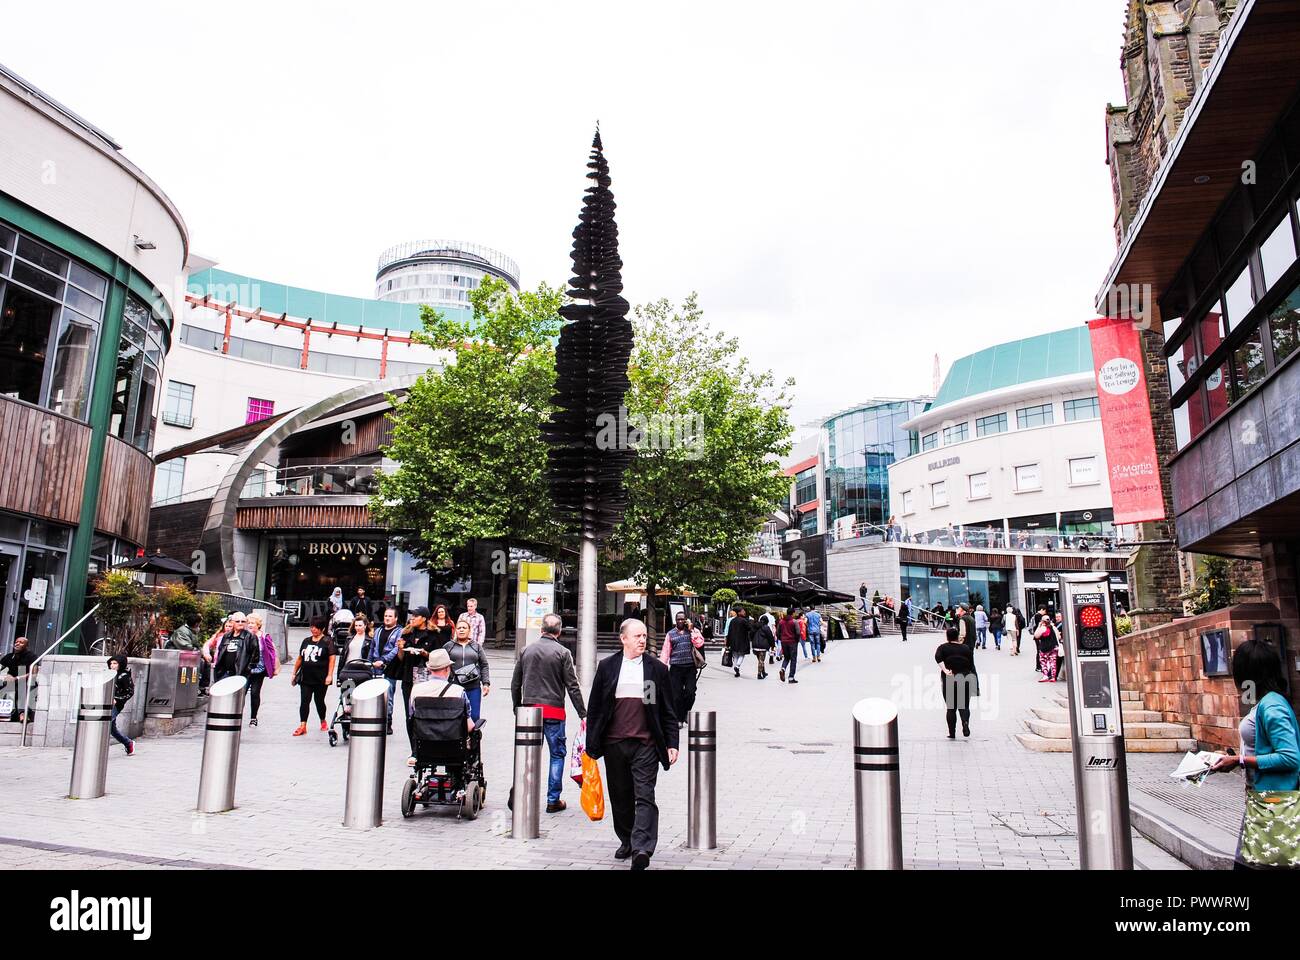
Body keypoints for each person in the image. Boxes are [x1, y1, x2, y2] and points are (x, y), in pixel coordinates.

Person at [585, 618, 679, 870]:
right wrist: (591, 744)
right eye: (636, 636)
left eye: (644, 637)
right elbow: (595, 708)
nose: (641, 640)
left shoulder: (655, 669)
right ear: (623, 638)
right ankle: (627, 839)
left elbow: (667, 710)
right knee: (621, 796)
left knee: (645, 795)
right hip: (614, 744)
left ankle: (642, 848)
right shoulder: (608, 667)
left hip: (646, 744)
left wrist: (672, 742)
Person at [1209, 639, 1300, 869]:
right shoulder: (1264, 702)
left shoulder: (1272, 706)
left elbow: (1290, 757)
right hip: (1262, 801)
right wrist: (1233, 758)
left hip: (1275, 802)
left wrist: (1239, 760)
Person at [510, 613, 586, 813]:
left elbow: (515, 683)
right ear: (559, 631)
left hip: (529, 711)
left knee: (528, 755)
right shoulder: (563, 653)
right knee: (557, 754)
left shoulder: (526, 650)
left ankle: (521, 793)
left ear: (541, 630)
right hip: (554, 711)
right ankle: (553, 800)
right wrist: (582, 713)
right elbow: (572, 686)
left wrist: (517, 707)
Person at [408, 648, 475, 736]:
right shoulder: (458, 691)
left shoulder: (416, 689)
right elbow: (469, 726)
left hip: (424, 744)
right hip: (453, 744)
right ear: (448, 669)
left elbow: (412, 718)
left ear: (429, 669)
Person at [397, 607, 435, 753]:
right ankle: (414, 749)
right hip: (408, 679)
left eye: (416, 616)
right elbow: (401, 659)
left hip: (425, 679)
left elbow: (437, 657)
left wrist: (425, 653)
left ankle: (426, 747)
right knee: (410, 715)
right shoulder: (407, 634)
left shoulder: (432, 635)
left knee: (424, 714)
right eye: (411, 616)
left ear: (424, 618)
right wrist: (400, 648)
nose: (412, 618)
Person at [291, 617, 335, 735]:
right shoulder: (306, 641)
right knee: (304, 701)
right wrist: (294, 673)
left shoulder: (327, 641)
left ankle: (323, 720)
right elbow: (300, 658)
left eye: (316, 628)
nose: (313, 630)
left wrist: (329, 675)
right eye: (312, 627)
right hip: (306, 677)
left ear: (322, 629)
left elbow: (332, 659)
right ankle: (303, 725)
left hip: (321, 677)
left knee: (319, 701)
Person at [659, 610, 704, 723]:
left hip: (690, 667)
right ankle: (679, 718)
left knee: (690, 693)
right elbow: (665, 652)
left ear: (686, 620)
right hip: (676, 668)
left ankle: (686, 712)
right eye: (678, 619)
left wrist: (692, 629)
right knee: (676, 696)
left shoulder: (693, 631)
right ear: (675, 621)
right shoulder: (670, 634)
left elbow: (699, 643)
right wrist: (661, 668)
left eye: (682, 619)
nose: (680, 621)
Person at [934, 627, 977, 739]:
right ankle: (965, 723)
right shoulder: (966, 648)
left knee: (951, 708)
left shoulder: (943, 648)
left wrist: (945, 670)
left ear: (947, 636)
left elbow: (938, 658)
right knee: (964, 706)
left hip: (950, 679)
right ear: (957, 636)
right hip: (965, 678)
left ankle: (952, 733)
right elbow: (971, 665)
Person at [445, 618, 490, 722]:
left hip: (473, 686)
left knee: (474, 716)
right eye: (459, 628)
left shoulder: (476, 646)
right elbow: (441, 664)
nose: (461, 630)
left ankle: (473, 737)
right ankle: (458, 737)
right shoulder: (449, 646)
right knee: (456, 715)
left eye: (464, 628)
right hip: (454, 686)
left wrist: (486, 683)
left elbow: (484, 665)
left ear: (469, 631)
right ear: (455, 630)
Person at [204, 612, 262, 686]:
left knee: (236, 696)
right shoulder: (226, 636)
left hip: (240, 673)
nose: (240, 623)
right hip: (224, 672)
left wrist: (247, 669)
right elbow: (220, 651)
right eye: (237, 621)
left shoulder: (250, 637)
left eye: (243, 621)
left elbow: (255, 656)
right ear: (233, 622)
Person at [371, 607, 403, 734]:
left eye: (390, 616)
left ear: (395, 618)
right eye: (385, 616)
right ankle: (375, 720)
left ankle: (388, 722)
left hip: (390, 666)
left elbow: (396, 649)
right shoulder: (378, 630)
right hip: (375, 665)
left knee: (388, 695)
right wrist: (369, 663)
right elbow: (373, 647)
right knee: (375, 695)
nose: (387, 618)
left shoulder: (399, 631)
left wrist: (384, 660)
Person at [244, 611, 277, 726]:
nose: (250, 625)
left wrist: (273, 667)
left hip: (260, 669)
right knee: (241, 693)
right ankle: (237, 715)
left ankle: (253, 717)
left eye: (253, 623)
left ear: (258, 624)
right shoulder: (244, 636)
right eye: (248, 623)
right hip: (246, 669)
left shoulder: (264, 636)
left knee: (254, 693)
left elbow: (272, 652)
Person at [105, 654, 136, 756]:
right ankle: (128, 743)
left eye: (115, 663)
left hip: (116, 705)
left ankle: (97, 749)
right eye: (111, 663)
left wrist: (116, 699)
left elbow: (130, 692)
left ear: (120, 664)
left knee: (104, 724)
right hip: (105, 703)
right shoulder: (109, 674)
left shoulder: (124, 676)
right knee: (111, 729)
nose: (112, 665)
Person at [1, 638, 37, 722]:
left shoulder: (31, 656)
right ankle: (5, 713)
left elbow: (34, 673)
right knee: (8, 686)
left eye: (21, 642)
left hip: (26, 682)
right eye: (16, 642)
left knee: (21, 687)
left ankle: (22, 713)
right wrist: (6, 676)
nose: (17, 644)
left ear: (26, 646)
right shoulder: (9, 656)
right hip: (11, 683)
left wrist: (16, 678)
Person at [1034, 611, 1061, 682]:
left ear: (1042, 621)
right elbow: (1058, 636)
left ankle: (1045, 676)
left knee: (1043, 662)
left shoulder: (1043, 628)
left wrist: (1038, 626)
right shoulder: (1054, 627)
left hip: (1045, 648)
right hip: (1054, 647)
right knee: (1053, 662)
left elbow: (1036, 635)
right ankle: (1053, 677)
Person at [777, 608, 801, 684]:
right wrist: (797, 640)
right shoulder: (794, 622)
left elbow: (778, 633)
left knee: (786, 657)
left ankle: (783, 669)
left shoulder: (781, 622)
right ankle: (791, 677)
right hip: (792, 642)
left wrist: (781, 639)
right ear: (793, 613)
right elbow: (798, 632)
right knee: (793, 659)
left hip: (784, 642)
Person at [750, 613, 774, 678]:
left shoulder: (755, 626)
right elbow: (770, 637)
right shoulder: (766, 627)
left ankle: (763, 672)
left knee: (760, 660)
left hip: (755, 646)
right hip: (762, 646)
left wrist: (753, 641)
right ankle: (759, 674)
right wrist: (772, 645)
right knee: (761, 660)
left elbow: (751, 634)